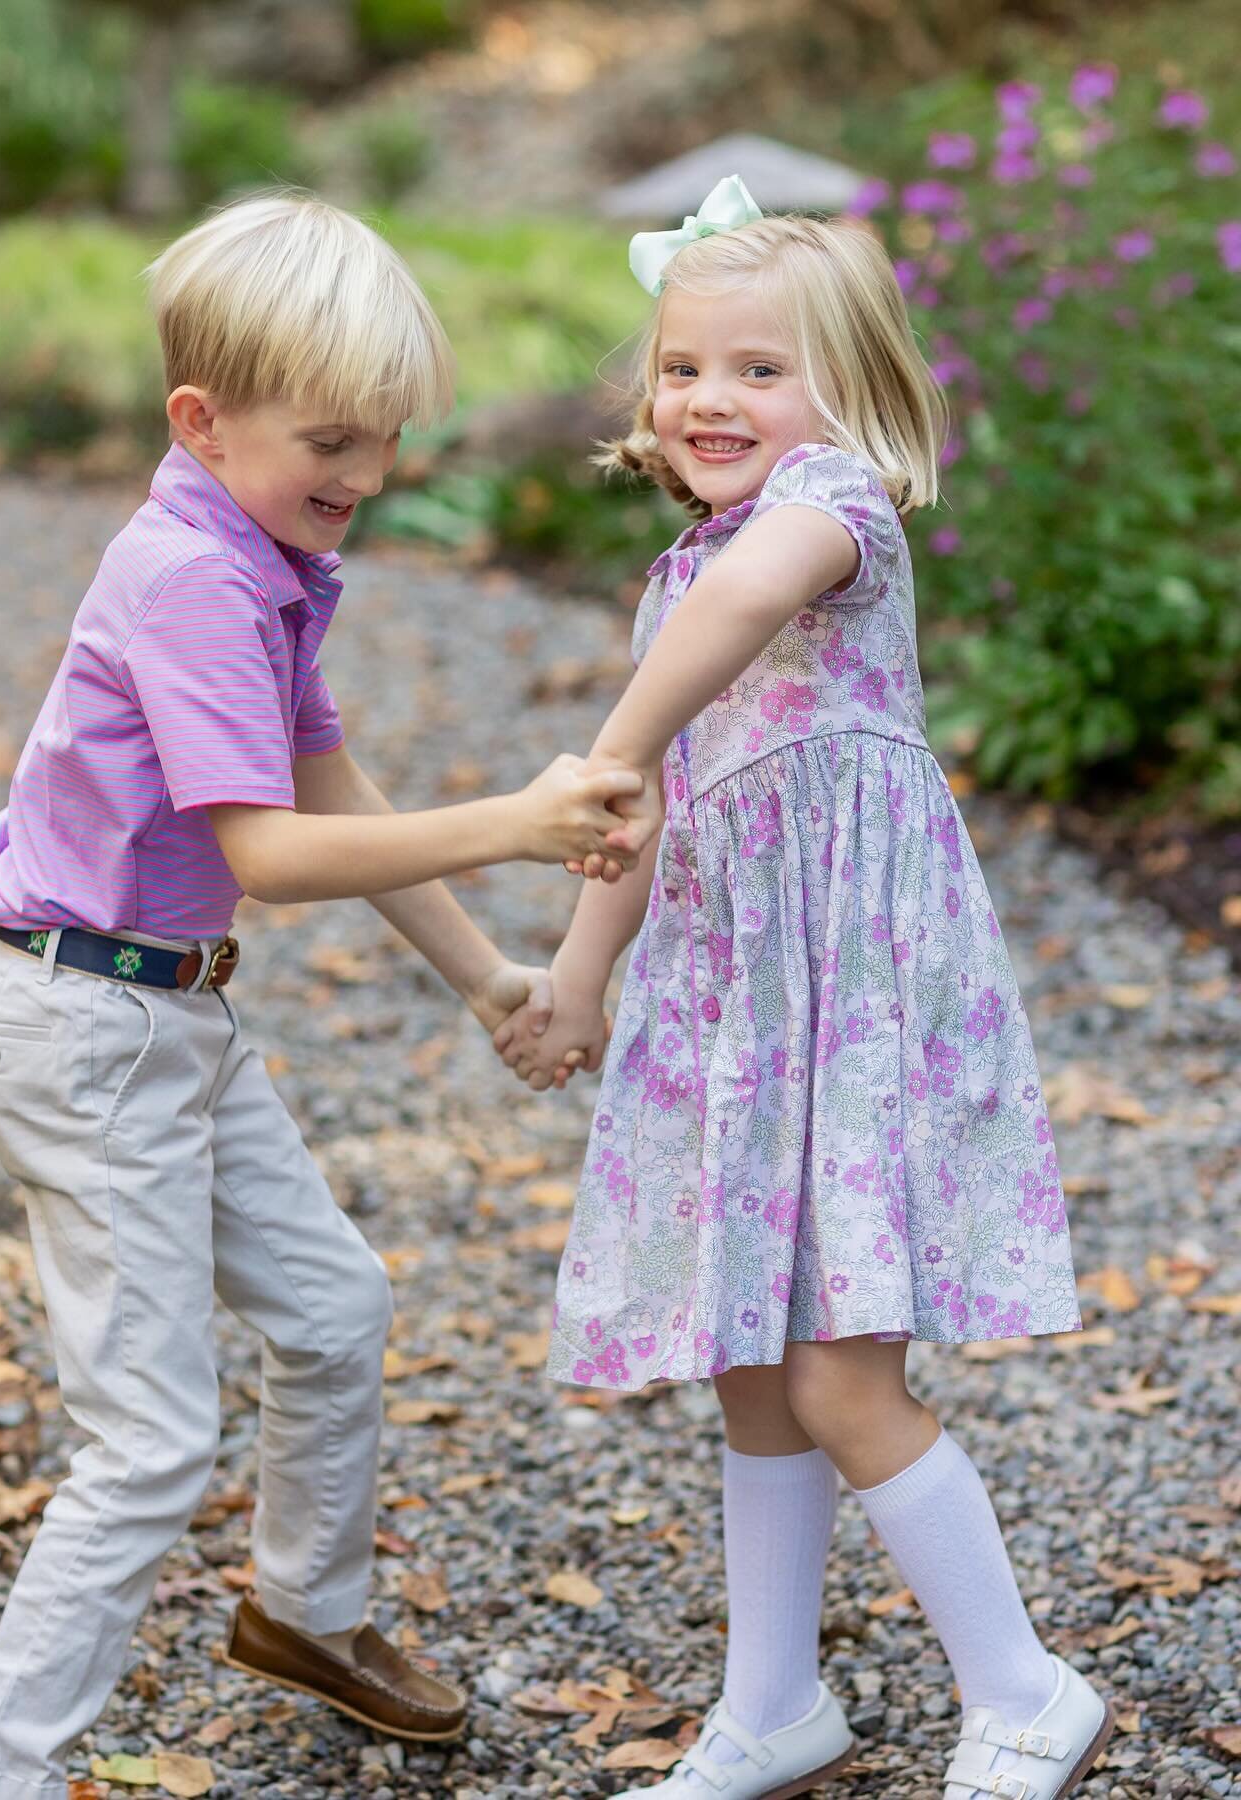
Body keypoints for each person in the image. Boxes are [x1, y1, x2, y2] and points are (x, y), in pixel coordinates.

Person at [0, 189, 641, 1800]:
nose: (372, 476)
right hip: (85, 1032)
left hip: (167, 1019)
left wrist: (486, 979)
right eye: (337, 438)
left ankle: (306, 1615)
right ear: (202, 420)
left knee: (335, 1310)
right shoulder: (188, 577)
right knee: (147, 1446)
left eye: (390, 439)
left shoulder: (264, 556)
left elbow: (329, 778)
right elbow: (268, 850)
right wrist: (524, 825)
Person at [493, 179, 1113, 1800]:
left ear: (843, 393)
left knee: (845, 1369)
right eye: (685, 366)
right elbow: (644, 814)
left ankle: (1027, 1682)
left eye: (759, 368)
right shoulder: (674, 579)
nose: (711, 398)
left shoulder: (834, 513)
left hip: (853, 1007)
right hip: (737, 1010)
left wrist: (612, 739)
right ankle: (772, 1705)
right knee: (749, 1358)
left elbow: (744, 614)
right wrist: (577, 975)